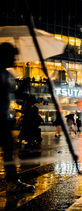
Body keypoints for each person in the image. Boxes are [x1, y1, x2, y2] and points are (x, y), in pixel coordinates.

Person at [0, 43, 35, 193]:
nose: (15, 60)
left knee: (9, 149)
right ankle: (13, 182)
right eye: (12, 56)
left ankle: (13, 181)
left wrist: (23, 87)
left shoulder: (6, 74)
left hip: (2, 118)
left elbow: (13, 95)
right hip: (0, 119)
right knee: (8, 149)